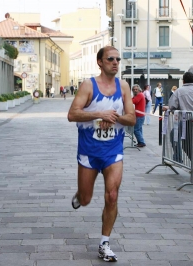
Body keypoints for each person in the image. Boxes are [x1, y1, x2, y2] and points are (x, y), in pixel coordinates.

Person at [67, 46, 136, 262]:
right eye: (110, 59)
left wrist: (114, 117)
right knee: (86, 199)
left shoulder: (123, 86)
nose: (115, 62)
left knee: (112, 195)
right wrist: (99, 114)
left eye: (117, 59)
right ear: (100, 62)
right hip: (89, 151)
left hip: (113, 151)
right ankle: (80, 195)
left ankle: (104, 243)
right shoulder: (89, 85)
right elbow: (72, 114)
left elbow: (132, 118)